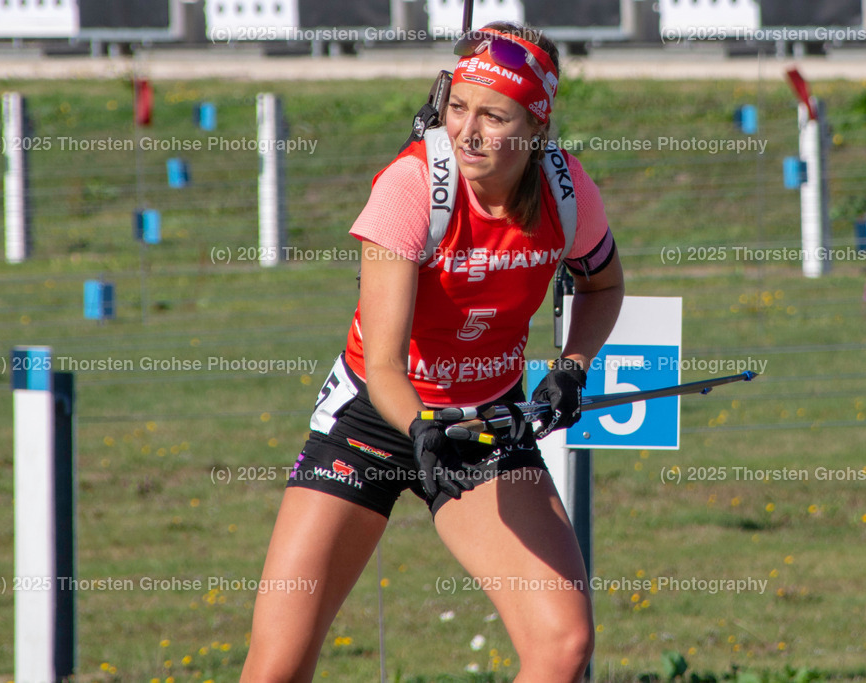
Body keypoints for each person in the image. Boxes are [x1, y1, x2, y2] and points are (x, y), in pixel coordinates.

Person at [240, 21, 624, 683]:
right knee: (277, 665)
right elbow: (384, 364)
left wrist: (571, 366)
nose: (467, 132)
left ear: (536, 129)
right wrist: (420, 429)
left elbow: (605, 283)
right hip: (376, 420)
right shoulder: (411, 186)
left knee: (563, 643)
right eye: (457, 108)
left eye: (494, 116)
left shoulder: (565, 191)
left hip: (484, 425)